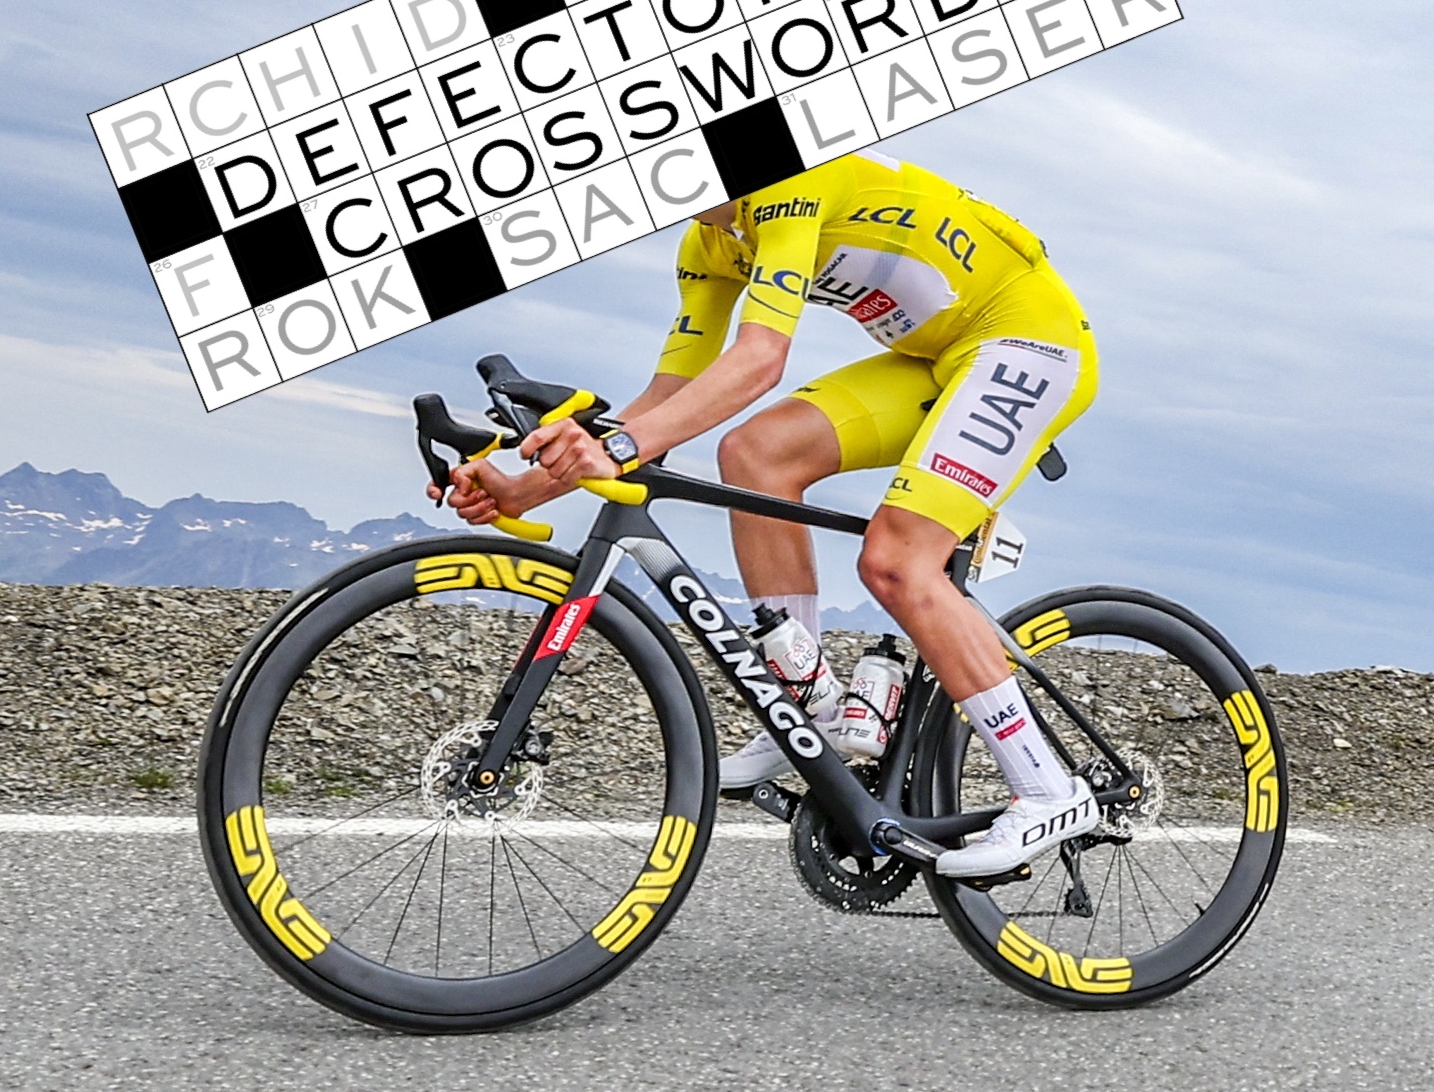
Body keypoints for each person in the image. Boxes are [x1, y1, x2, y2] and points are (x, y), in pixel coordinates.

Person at [432, 149, 1099, 878]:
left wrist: (617, 447)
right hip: (934, 355)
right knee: (755, 452)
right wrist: (523, 488)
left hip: (1026, 339)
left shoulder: (784, 185)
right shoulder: (707, 243)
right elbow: (667, 398)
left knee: (897, 561)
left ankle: (1048, 787)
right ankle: (808, 701)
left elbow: (758, 360)